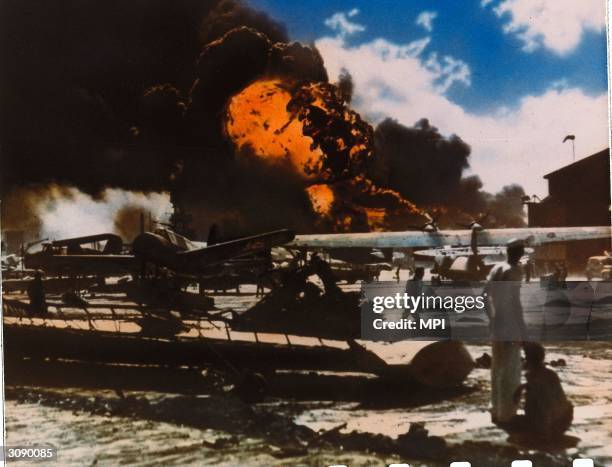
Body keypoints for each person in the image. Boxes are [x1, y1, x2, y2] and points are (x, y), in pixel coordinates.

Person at [484, 238, 526, 424]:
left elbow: (485, 295)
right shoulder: (515, 271)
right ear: (519, 252)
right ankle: (507, 413)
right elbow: (515, 301)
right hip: (509, 322)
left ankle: (496, 409)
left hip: (498, 321)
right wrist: (522, 325)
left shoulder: (496, 268)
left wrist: (491, 318)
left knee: (498, 366)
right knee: (510, 367)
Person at [511, 342, 573, 439]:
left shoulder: (533, 376)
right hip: (564, 421)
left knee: (514, 421)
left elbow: (541, 403)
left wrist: (522, 388)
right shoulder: (550, 373)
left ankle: (540, 429)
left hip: (549, 426)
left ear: (528, 359)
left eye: (526, 356)